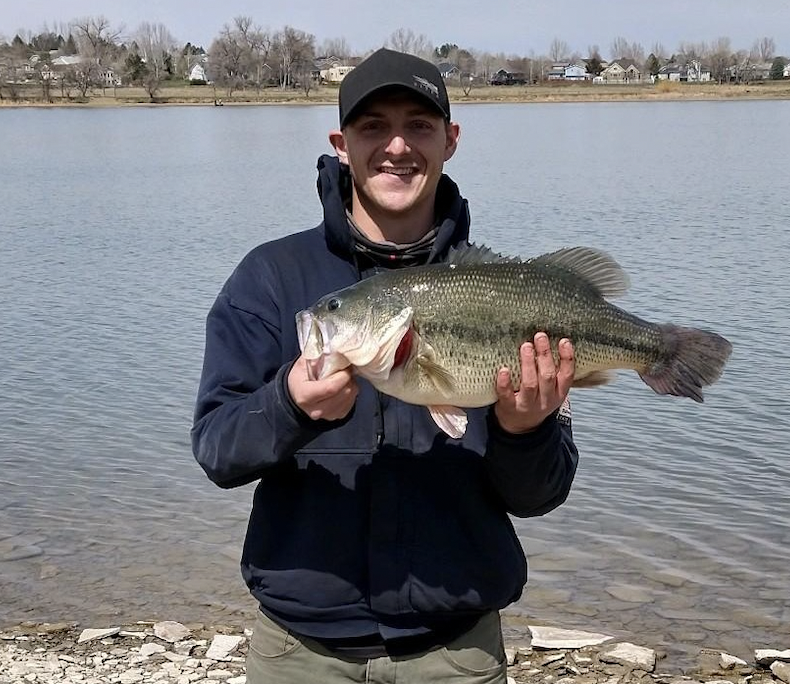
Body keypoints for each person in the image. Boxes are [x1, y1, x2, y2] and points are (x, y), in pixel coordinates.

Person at [192, 48, 579, 684]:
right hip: (298, 652)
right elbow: (216, 451)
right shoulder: (269, 278)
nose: (397, 146)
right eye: (373, 126)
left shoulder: (503, 290)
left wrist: (525, 429)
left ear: (451, 141)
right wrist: (288, 407)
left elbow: (540, 496)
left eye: (419, 126)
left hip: (458, 650)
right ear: (341, 144)